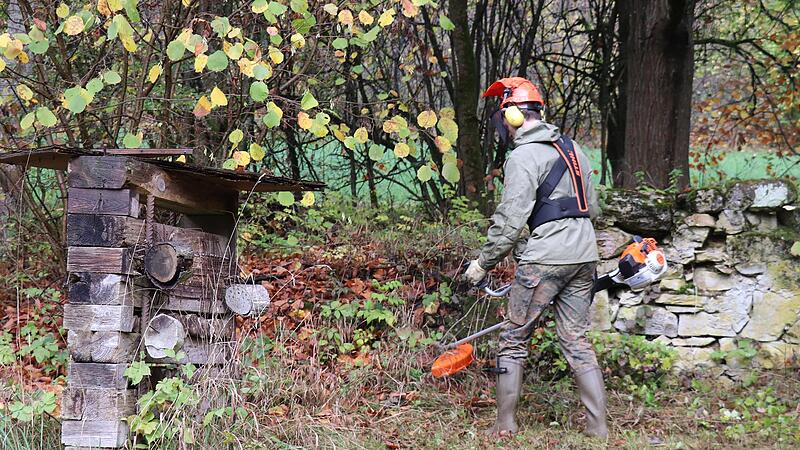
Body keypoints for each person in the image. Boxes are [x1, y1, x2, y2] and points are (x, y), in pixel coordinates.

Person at [463, 77, 608, 438]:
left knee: (513, 338)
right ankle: (598, 429)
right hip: (585, 256)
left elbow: (510, 221)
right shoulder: (576, 150)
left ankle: (504, 425)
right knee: (576, 340)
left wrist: (482, 264)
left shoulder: (523, 156)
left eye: (501, 116)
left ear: (512, 116)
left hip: (545, 259)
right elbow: (594, 209)